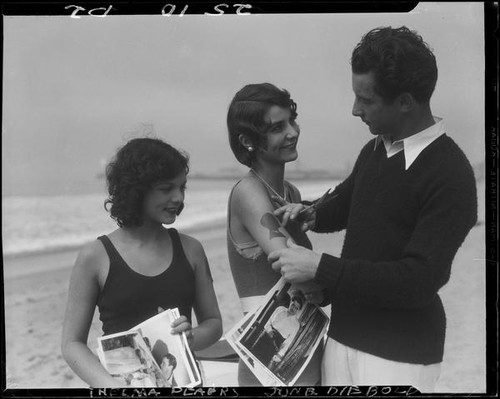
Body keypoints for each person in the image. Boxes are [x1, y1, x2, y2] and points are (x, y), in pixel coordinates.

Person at [269, 26, 478, 392]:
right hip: (343, 337)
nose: (354, 109)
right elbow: (349, 203)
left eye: (365, 100)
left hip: (400, 355)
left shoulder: (451, 174)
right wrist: (311, 212)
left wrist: (321, 267)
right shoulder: (376, 149)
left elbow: (417, 283)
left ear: (405, 102)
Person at [61, 137, 223, 387]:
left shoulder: (191, 249)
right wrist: (111, 386)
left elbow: (213, 324)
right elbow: (72, 344)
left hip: (185, 383)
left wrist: (190, 337)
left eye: (182, 187)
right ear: (137, 190)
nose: (178, 197)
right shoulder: (95, 256)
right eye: (166, 188)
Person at [226, 82, 323, 386]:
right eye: (278, 127)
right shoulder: (248, 192)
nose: (293, 132)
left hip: (306, 346)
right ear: (247, 140)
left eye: (292, 121)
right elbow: (295, 265)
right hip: (269, 365)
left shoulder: (289, 192)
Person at [264, 290, 304, 368]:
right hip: (266, 334)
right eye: (293, 305)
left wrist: (280, 354)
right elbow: (268, 321)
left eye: (296, 308)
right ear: (290, 302)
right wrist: (269, 331)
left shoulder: (296, 325)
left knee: (265, 361)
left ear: (298, 310)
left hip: (276, 343)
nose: (293, 309)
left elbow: (288, 342)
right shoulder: (280, 309)